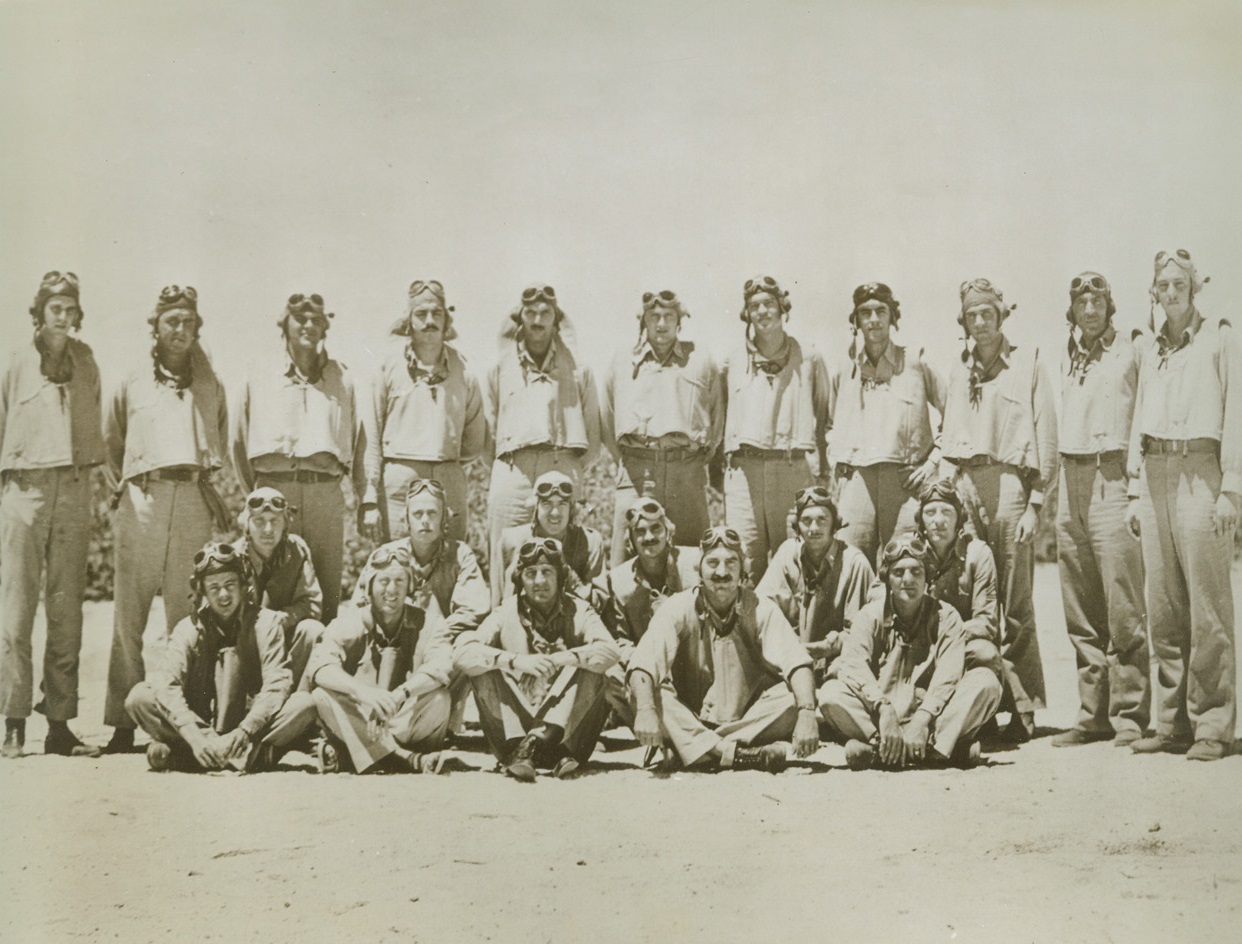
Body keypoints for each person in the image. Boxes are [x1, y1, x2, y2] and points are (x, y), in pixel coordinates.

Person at [102, 285, 230, 754]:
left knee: (188, 614)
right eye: (172, 321)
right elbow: (111, 438)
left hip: (193, 495)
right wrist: (132, 484)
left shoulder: (209, 381)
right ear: (155, 327)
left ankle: (187, 716)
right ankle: (121, 721)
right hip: (144, 497)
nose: (180, 330)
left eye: (188, 322)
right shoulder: (133, 378)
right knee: (128, 613)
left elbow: (221, 432)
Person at [1125, 249, 1239, 762]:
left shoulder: (1220, 337)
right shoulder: (1151, 348)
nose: (1171, 293)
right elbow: (1137, 415)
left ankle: (1212, 723)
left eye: (1179, 284)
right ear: (1154, 291)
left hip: (1200, 470)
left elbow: (1237, 410)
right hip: (1153, 473)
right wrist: (1133, 488)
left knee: (1207, 605)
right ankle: (1169, 722)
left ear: (1194, 288)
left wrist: (1230, 488)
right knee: (1163, 605)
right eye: (1163, 285)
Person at [939, 278, 1056, 742]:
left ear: (1001, 315)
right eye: (972, 315)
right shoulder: (958, 368)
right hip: (966, 485)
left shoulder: (1028, 362)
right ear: (964, 321)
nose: (981, 322)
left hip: (1009, 482)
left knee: (1016, 601)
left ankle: (1023, 710)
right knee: (971, 597)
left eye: (988, 313)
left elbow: (1045, 435)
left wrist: (1036, 502)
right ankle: (983, 705)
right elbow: (948, 438)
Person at [1, 271, 105, 758]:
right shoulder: (15, 361)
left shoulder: (86, 362)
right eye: (54, 308)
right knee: (16, 610)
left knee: (66, 611)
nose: (63, 317)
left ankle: (60, 723)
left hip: (74, 487)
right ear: (39, 313)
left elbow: (95, 424)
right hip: (24, 488)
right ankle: (14, 720)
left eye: (70, 308)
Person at [627, 526, 820, 773]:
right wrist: (645, 710)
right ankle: (735, 755)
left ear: (743, 569)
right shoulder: (678, 606)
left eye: (731, 562)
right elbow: (643, 664)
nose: (721, 572)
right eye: (713, 563)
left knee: (795, 698)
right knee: (643, 693)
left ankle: (696, 749)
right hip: (690, 714)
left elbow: (797, 662)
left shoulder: (761, 607)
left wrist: (806, 712)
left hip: (745, 718)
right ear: (699, 569)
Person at [1053, 272, 1149, 748]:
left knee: (1122, 600)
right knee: (1079, 601)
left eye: (1098, 301)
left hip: (1112, 471)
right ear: (1071, 310)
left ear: (1111, 306)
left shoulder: (1132, 349)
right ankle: (1093, 714)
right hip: (1071, 476)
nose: (1089, 310)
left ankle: (1131, 714)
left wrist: (1134, 483)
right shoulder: (1071, 354)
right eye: (1081, 302)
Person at [233, 292, 367, 620]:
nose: (309, 325)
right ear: (284, 324)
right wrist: (260, 495)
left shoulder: (342, 378)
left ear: (325, 328)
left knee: (325, 595)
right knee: (272, 599)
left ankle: (321, 668)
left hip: (325, 496)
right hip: (274, 496)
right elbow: (236, 442)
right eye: (300, 318)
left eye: (316, 320)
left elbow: (357, 440)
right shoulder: (258, 373)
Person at [819, 535, 1003, 770]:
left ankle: (885, 753)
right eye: (899, 573)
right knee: (830, 694)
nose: (908, 580)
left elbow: (949, 675)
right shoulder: (869, 615)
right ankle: (930, 752)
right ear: (887, 579)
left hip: (931, 718)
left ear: (927, 577)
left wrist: (923, 718)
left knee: (987, 683)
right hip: (882, 718)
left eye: (916, 572)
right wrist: (883, 709)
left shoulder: (946, 616)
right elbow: (854, 665)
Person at [124, 541, 305, 772]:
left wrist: (245, 730)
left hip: (248, 728)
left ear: (243, 585)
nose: (223, 595)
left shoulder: (266, 623)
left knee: (304, 705)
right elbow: (167, 685)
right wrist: (195, 735)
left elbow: (277, 684)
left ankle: (190, 757)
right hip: (201, 725)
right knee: (139, 698)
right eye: (214, 587)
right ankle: (244, 758)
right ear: (202, 592)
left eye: (230, 584)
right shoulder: (186, 629)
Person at [453, 538, 621, 781]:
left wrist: (567, 657)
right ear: (520, 579)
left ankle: (538, 742)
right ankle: (531, 744)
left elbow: (611, 651)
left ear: (560, 577)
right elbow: (461, 653)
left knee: (593, 665)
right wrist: (513, 661)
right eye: (531, 573)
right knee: (483, 665)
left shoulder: (580, 609)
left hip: (568, 743)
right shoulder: (505, 611)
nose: (539, 581)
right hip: (513, 740)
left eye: (547, 572)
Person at [484, 284, 601, 602]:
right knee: (506, 556)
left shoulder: (579, 370)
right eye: (530, 312)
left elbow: (593, 434)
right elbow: (486, 433)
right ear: (519, 318)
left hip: (561, 466)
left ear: (556, 319)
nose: (537, 319)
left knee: (564, 556)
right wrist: (511, 467)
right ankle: (501, 631)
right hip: (513, 472)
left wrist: (567, 465)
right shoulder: (498, 369)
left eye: (545, 312)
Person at [308, 544, 454, 774]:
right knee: (321, 696)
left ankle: (361, 753)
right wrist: (363, 693)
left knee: (440, 699)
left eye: (399, 582)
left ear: (410, 586)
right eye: (384, 582)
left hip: (403, 719)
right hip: (363, 715)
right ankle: (402, 758)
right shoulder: (348, 622)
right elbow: (321, 668)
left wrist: (400, 695)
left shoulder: (431, 622)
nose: (392, 590)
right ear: (370, 585)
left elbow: (441, 667)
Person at [601, 289, 724, 564]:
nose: (661, 323)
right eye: (654, 316)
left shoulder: (701, 359)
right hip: (637, 475)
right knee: (625, 566)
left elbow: (717, 420)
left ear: (679, 321)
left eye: (669, 316)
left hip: (686, 475)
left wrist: (691, 461)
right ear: (643, 320)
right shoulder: (621, 360)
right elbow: (607, 418)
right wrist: (632, 458)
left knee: (693, 561)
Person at [721, 275, 831, 580]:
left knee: (797, 562)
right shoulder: (731, 360)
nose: (762, 311)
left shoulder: (809, 358)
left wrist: (822, 471)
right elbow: (719, 418)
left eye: (769, 303)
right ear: (747, 313)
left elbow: (824, 418)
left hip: (791, 469)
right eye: (754, 305)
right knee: (743, 563)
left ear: (782, 308)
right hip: (744, 474)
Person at [828, 282, 946, 564]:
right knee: (850, 563)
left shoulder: (916, 363)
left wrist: (932, 461)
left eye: (881, 311)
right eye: (865, 312)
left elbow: (955, 413)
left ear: (893, 317)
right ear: (855, 321)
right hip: (858, 482)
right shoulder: (845, 371)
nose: (873, 319)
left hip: (904, 482)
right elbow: (828, 425)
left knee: (906, 562)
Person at [362, 280, 487, 545]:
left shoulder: (465, 372)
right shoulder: (387, 368)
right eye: (421, 314)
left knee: (450, 567)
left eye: (436, 313)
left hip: (448, 482)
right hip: (398, 488)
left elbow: (475, 440)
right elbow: (370, 436)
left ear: (446, 320)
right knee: (396, 567)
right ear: (408, 321)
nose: (429, 321)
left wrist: (442, 460)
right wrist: (370, 497)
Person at [360, 478, 490, 732]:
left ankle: (447, 718)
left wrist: (437, 630)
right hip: (394, 645)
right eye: (417, 513)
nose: (425, 520)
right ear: (405, 519)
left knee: (470, 642)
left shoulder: (460, 554)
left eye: (433, 513)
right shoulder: (387, 554)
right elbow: (361, 605)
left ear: (444, 520)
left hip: (440, 646)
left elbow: (476, 608)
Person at [593, 497, 702, 725]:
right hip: (651, 674)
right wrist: (643, 664)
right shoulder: (619, 581)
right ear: (631, 540)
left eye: (656, 529)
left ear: (668, 532)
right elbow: (619, 640)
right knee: (608, 672)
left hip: (696, 666)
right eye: (640, 532)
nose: (649, 537)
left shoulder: (694, 564)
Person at [756, 486, 875, 686]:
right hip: (790, 658)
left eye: (822, 520)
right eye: (806, 521)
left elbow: (863, 631)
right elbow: (762, 608)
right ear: (797, 527)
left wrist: (823, 647)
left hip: (837, 660)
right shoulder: (787, 554)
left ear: (834, 525)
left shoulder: (855, 563)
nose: (814, 528)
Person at [236, 487, 325, 690]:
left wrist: (282, 619)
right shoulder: (233, 557)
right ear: (246, 525)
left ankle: (297, 696)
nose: (268, 529)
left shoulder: (297, 550)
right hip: (245, 643)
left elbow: (312, 603)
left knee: (313, 630)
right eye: (259, 521)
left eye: (275, 521)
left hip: (284, 636)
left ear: (285, 524)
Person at [916, 480, 1003, 680]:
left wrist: (945, 635)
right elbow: (879, 600)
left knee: (986, 654)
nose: (938, 520)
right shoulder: (909, 551)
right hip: (917, 643)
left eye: (947, 512)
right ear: (920, 520)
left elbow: (986, 622)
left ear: (959, 519)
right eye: (930, 513)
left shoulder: (978, 554)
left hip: (960, 642)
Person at [497, 470, 604, 604]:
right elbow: (499, 605)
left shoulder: (589, 542)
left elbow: (600, 603)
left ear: (571, 508)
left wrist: (565, 570)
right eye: (547, 504)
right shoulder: (512, 540)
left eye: (562, 504)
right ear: (535, 507)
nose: (555, 513)